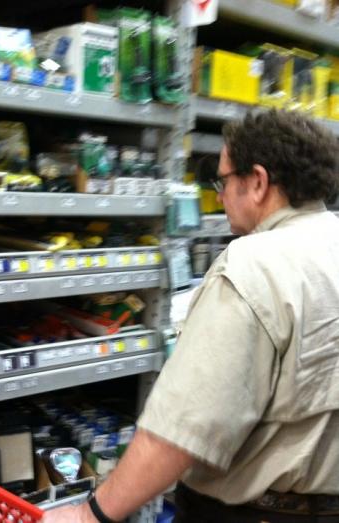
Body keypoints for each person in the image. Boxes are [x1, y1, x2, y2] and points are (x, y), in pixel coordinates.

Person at [42, 109, 339, 523]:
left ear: (257, 182)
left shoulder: (254, 264)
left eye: (223, 181)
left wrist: (90, 514)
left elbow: (183, 430)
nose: (220, 195)